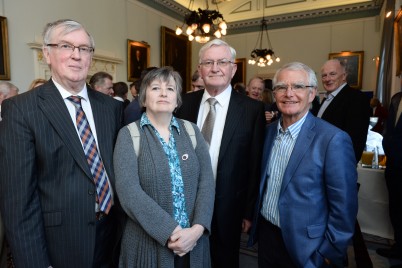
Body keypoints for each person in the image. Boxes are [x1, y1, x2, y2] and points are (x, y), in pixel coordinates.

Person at [0, 19, 124, 268]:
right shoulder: (21, 109)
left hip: (113, 238)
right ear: (47, 53)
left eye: (84, 49)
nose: (76, 56)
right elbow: (18, 202)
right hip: (59, 244)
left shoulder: (111, 107)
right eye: (66, 46)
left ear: (91, 57)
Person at [249, 62, 358, 267]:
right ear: (274, 94)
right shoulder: (269, 132)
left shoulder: (333, 139)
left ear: (312, 94)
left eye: (298, 87)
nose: (289, 93)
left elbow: (344, 207)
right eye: (281, 87)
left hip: (308, 248)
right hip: (268, 238)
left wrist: (328, 253)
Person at [176, 39, 265, 268]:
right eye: (208, 62)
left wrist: (248, 211)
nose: (215, 68)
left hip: (229, 206)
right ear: (200, 69)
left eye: (222, 62)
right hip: (185, 203)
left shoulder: (251, 110)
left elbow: (255, 164)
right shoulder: (183, 104)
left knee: (224, 260)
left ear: (233, 69)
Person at [114, 66, 215, 267]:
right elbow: (129, 192)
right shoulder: (129, 135)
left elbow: (206, 183)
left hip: (193, 244)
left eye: (170, 89)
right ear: (142, 98)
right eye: (155, 88)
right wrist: (172, 232)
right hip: (147, 246)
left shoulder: (192, 131)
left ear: (177, 99)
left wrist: (196, 230)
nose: (163, 93)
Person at [318, 59, 372, 267]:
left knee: (342, 215)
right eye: (324, 75)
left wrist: (342, 170)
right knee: (340, 215)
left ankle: (345, 258)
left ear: (344, 75)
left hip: (337, 170)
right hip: (321, 167)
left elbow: (355, 141)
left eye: (332, 74)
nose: (327, 79)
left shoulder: (355, 98)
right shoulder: (325, 100)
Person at [376, 91, 402, 267]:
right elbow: (390, 129)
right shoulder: (397, 99)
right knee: (396, 208)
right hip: (394, 166)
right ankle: (399, 247)